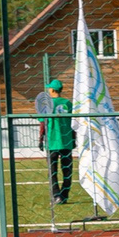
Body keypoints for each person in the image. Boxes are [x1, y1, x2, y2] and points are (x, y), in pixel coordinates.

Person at [41, 79, 77, 216]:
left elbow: (43, 124)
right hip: (67, 140)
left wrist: (40, 138)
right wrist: (74, 139)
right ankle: (65, 194)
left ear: (52, 90)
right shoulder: (68, 103)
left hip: (52, 141)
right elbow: (73, 123)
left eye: (49, 88)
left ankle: (56, 195)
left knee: (53, 170)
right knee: (67, 170)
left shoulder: (48, 103)